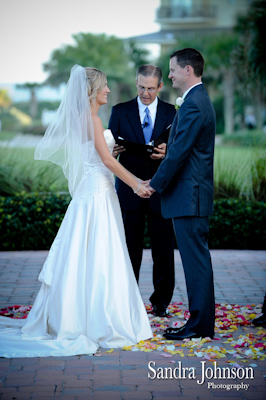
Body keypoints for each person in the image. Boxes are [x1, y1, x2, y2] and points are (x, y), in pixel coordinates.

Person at [0, 65, 152, 358]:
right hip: (97, 196)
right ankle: (97, 321)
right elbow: (105, 161)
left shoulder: (84, 119)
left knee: (87, 255)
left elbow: (97, 154)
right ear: (92, 91)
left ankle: (72, 314)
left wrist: (110, 152)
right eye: (104, 85)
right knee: (100, 255)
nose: (108, 90)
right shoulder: (92, 119)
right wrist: (135, 184)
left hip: (92, 194)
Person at [146, 48, 216, 339]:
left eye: (173, 69)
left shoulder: (193, 104)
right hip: (191, 196)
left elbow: (177, 155)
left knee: (195, 262)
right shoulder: (196, 100)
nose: (170, 74)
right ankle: (199, 323)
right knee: (196, 261)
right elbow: (179, 149)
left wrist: (153, 184)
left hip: (189, 196)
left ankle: (199, 326)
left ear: (188, 70)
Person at [109, 65, 176, 317]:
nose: (145, 93)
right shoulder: (119, 111)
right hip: (130, 190)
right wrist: (113, 150)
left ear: (160, 87)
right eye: (140, 87)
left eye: (150, 88)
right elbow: (109, 149)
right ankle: (128, 300)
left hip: (161, 190)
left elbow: (179, 149)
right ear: (136, 83)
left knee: (163, 250)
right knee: (129, 249)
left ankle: (161, 302)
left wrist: (168, 152)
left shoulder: (173, 113)